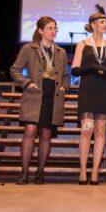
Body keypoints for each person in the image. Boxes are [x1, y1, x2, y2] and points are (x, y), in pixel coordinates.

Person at [10, 16, 70, 185]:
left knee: (45, 134)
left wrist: (65, 87)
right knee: (30, 130)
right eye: (50, 28)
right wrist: (26, 83)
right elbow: (14, 70)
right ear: (40, 30)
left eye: (55, 28)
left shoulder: (61, 52)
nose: (53, 31)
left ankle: (40, 173)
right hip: (34, 95)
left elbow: (65, 75)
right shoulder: (29, 48)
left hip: (53, 96)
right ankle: (24, 173)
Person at [70, 5, 106, 185]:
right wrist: (90, 68)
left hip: (105, 91)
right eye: (102, 22)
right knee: (87, 130)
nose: (105, 24)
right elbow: (75, 70)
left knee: (100, 132)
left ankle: (95, 171)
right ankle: (83, 170)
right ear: (93, 25)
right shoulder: (83, 44)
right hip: (88, 91)